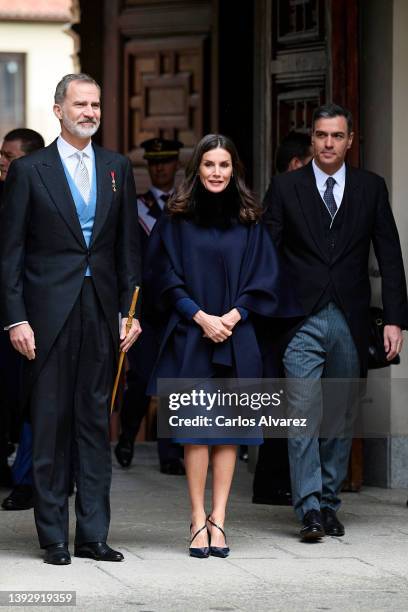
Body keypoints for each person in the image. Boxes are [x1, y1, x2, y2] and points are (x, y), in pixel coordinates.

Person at [0, 73, 141, 565]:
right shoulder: (29, 171)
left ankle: (93, 535)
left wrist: (131, 312)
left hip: (102, 314)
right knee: (51, 425)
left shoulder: (116, 167)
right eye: (80, 104)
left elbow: (128, 252)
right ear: (58, 110)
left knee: (93, 427)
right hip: (45, 318)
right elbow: (10, 254)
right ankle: (54, 536)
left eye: (95, 104)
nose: (89, 112)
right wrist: (15, 319)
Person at [145, 134, 301, 558]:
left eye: (224, 165)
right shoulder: (175, 220)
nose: (217, 172)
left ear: (235, 171)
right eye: (209, 165)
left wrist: (233, 316)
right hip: (191, 335)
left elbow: (266, 278)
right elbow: (162, 276)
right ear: (197, 169)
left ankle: (219, 520)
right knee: (196, 431)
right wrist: (199, 316)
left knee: (230, 433)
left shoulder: (251, 220)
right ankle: (197, 519)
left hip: (237, 334)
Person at [263, 103, 408, 541]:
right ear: (312, 141)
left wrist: (395, 320)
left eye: (336, 136)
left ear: (349, 141)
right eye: (321, 136)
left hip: (351, 318)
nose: (328, 143)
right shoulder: (286, 187)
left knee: (341, 417)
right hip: (299, 319)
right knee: (303, 412)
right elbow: (266, 252)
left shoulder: (370, 187)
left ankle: (328, 502)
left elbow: (390, 253)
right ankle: (308, 508)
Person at [115, 137, 185, 475]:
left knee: (174, 379)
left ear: (176, 165)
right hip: (144, 306)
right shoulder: (136, 206)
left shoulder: (186, 204)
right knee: (141, 377)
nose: (160, 168)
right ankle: (128, 434)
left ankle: (170, 453)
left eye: (167, 161)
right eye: (155, 162)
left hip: (177, 305)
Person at [253, 131, 312, 507]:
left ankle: (277, 482)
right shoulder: (284, 194)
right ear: (296, 164)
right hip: (282, 314)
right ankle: (273, 483)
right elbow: (270, 254)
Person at [0, 129, 45, 507]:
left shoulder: (40, 195)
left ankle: (30, 479)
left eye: (8, 156)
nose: (1, 161)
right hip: (5, 317)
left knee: (36, 399)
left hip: (31, 316)